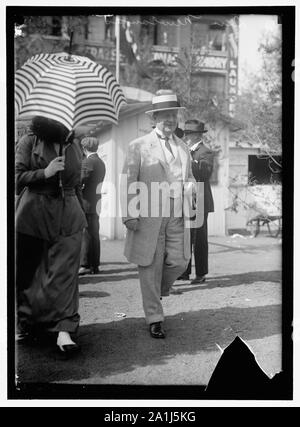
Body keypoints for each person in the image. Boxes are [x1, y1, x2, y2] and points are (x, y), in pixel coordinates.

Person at [121, 90, 195, 339]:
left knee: (180, 260)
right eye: (164, 115)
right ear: (154, 119)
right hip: (149, 216)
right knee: (150, 265)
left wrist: (191, 185)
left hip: (177, 214)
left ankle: (157, 290)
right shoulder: (138, 146)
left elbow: (190, 177)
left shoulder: (183, 147)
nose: (169, 120)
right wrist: (129, 214)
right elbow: (128, 181)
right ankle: (155, 318)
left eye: (173, 115)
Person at [15, 116, 87, 356]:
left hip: (69, 215)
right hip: (33, 215)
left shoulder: (73, 143)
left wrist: (80, 206)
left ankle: (64, 330)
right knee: (30, 275)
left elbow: (76, 183)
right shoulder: (28, 141)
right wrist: (45, 173)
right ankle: (27, 323)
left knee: (65, 274)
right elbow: (14, 179)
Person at [179, 119, 215, 284]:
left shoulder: (205, 152)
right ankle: (184, 271)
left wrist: (190, 160)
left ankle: (201, 274)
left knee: (199, 238)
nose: (186, 137)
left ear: (197, 135)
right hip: (186, 199)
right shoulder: (186, 150)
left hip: (200, 200)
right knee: (185, 236)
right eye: (185, 134)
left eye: (189, 134)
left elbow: (204, 174)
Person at [78, 137, 106, 275]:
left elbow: (81, 179)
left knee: (87, 234)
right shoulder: (100, 162)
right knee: (94, 234)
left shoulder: (88, 161)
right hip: (96, 200)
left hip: (87, 201)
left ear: (84, 148)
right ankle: (94, 265)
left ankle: (85, 264)